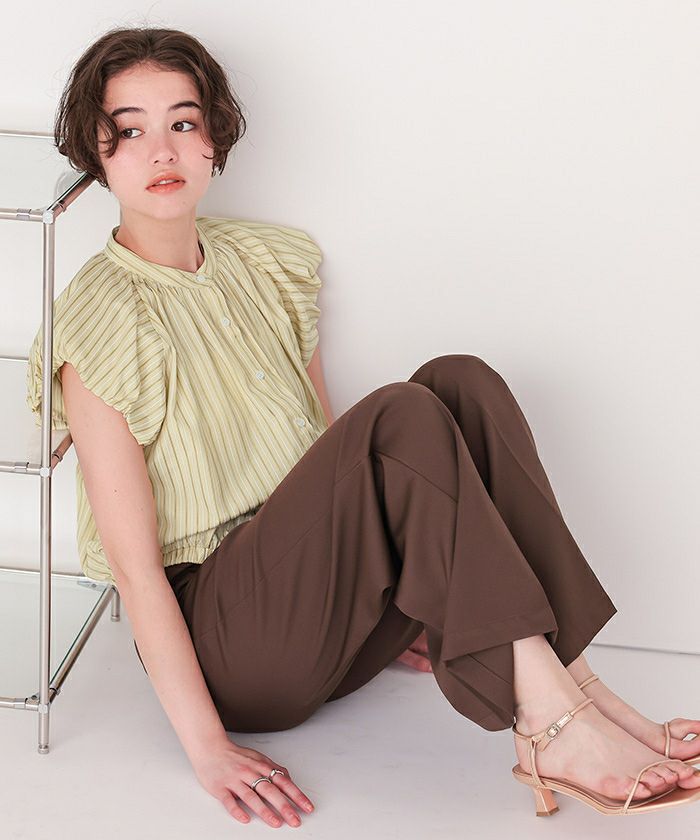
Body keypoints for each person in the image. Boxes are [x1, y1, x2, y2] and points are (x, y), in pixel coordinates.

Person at [26, 25, 700, 829]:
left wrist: (379, 591)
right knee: (399, 414)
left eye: (183, 121)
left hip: (321, 622)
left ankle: (582, 689)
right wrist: (207, 748)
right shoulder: (97, 323)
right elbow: (137, 572)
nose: (162, 150)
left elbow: (326, 455)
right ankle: (549, 722)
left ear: (214, 139)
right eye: (130, 130)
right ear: (96, 151)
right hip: (232, 653)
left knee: (461, 381)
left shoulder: (264, 261)